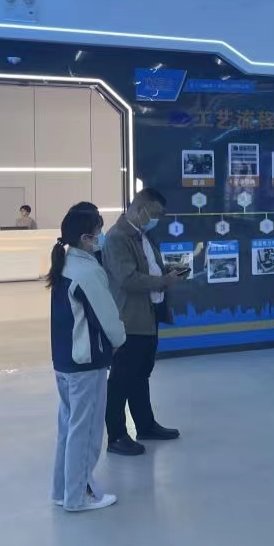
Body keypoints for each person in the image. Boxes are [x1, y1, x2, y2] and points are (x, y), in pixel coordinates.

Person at [48, 206, 126, 511]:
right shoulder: (88, 271)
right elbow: (107, 316)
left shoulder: (65, 263)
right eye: (98, 231)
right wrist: (119, 340)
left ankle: (62, 491)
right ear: (85, 237)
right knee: (88, 431)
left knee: (69, 428)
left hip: (65, 360)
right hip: (86, 362)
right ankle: (78, 497)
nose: (101, 237)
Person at [103, 188, 183, 456]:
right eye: (155, 213)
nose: (157, 219)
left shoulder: (143, 236)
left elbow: (149, 268)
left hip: (149, 315)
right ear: (140, 209)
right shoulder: (117, 238)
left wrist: (167, 274)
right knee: (121, 379)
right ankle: (116, 435)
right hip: (129, 319)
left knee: (141, 374)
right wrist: (163, 281)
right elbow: (127, 279)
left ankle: (146, 425)